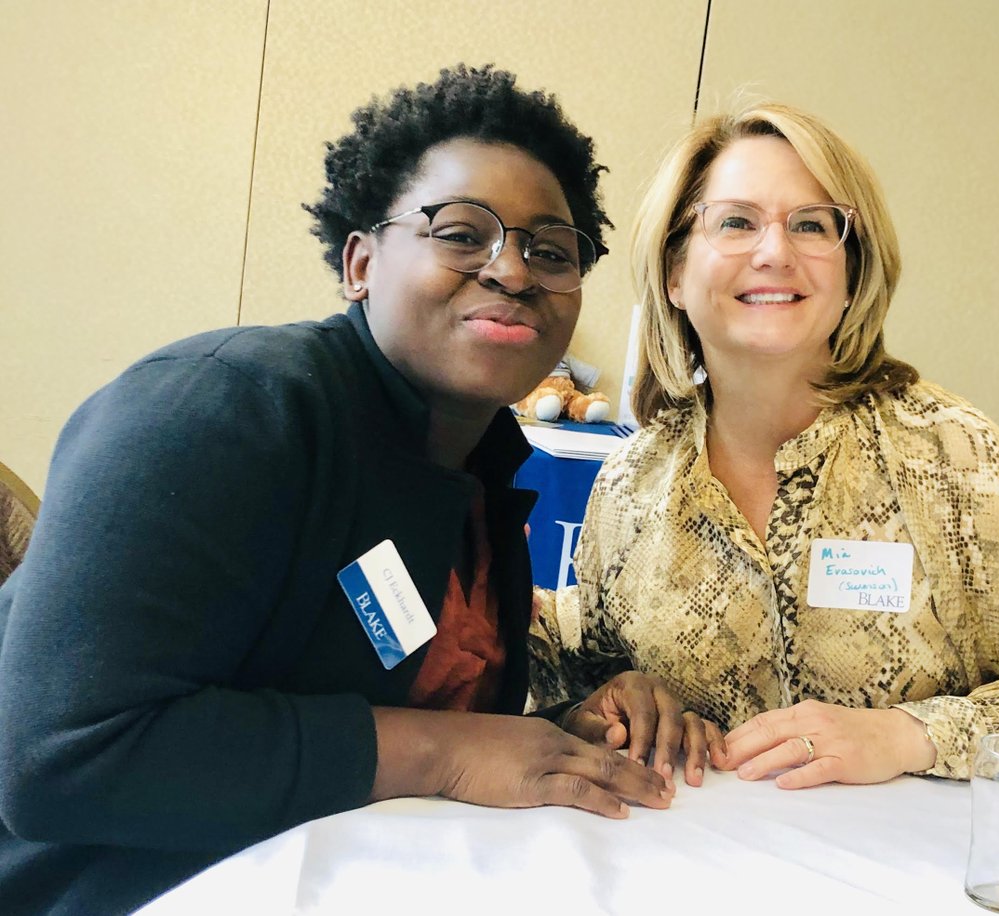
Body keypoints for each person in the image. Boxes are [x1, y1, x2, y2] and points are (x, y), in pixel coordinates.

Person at [0, 65, 685, 916]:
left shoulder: (477, 472)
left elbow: (402, 699)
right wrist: (444, 752)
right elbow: (56, 760)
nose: (513, 271)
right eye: (461, 233)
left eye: (550, 251)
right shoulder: (223, 409)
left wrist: (561, 730)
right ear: (361, 263)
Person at [528, 102, 999, 792]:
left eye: (811, 225)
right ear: (675, 273)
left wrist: (911, 734)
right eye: (736, 222)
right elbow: (584, 669)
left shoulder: (952, 457)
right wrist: (610, 697)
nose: (775, 252)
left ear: (851, 272)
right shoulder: (633, 480)